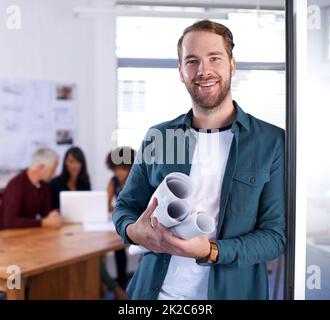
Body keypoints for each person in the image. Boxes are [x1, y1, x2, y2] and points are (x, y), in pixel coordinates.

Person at [113, 20, 286, 300]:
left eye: (214, 58)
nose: (203, 71)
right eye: (192, 61)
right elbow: (125, 207)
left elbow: (274, 237)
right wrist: (135, 231)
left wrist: (210, 250)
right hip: (154, 294)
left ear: (232, 64)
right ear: (181, 72)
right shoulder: (159, 137)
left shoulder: (271, 142)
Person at [50, 146, 127, 300]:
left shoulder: (85, 181)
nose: (74, 165)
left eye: (78, 161)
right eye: (71, 161)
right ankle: (115, 288)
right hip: (61, 230)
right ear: (65, 163)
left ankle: (115, 287)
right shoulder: (55, 183)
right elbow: (51, 210)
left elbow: (94, 206)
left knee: (97, 251)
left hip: (84, 229)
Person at [0, 148, 62, 230]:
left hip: (27, 234)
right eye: (52, 170)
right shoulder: (16, 185)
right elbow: (10, 222)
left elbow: (46, 214)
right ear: (41, 167)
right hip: (7, 236)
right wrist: (42, 222)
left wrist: (53, 216)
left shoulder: (44, 185)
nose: (54, 174)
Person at [106, 146, 136, 288]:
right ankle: (122, 283)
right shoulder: (114, 182)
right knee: (117, 245)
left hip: (137, 221)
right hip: (123, 222)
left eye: (122, 168)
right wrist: (118, 210)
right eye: (115, 169)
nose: (118, 173)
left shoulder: (137, 180)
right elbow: (106, 205)